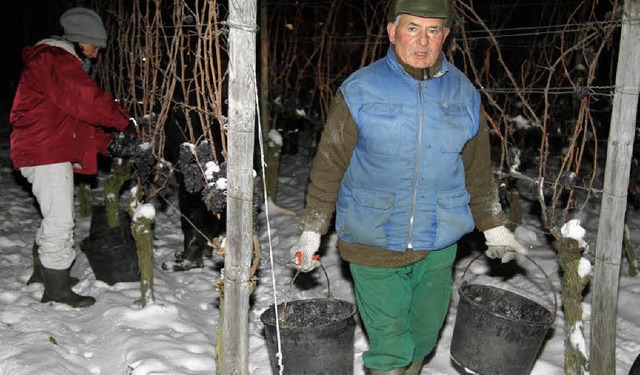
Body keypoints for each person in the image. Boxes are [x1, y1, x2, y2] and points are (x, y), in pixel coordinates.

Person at [291, 0, 528, 373]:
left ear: (445, 36)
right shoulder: (360, 89)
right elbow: (328, 164)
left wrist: (494, 226)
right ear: (391, 31)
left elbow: (478, 171)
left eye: (433, 30)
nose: (422, 41)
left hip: (439, 243)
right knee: (391, 346)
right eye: (412, 28)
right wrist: (312, 229)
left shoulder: (463, 94)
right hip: (373, 238)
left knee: (423, 335)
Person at [10, 7, 135, 308]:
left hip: (45, 150)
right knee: (60, 221)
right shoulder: (55, 60)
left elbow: (76, 123)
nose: (95, 55)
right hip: (45, 153)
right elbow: (88, 101)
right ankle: (56, 289)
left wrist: (109, 144)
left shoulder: (54, 64)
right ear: (80, 39)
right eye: (94, 46)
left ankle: (45, 274)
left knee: (54, 214)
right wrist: (124, 121)